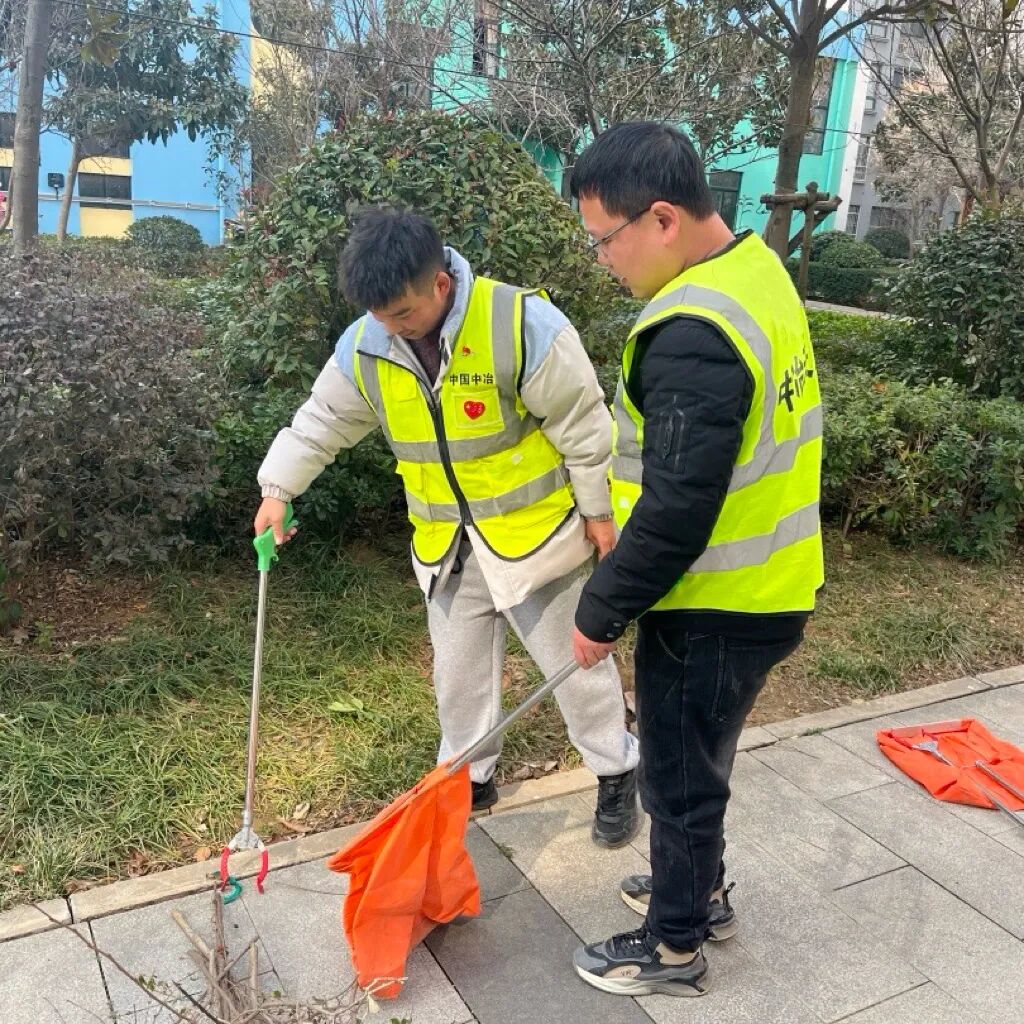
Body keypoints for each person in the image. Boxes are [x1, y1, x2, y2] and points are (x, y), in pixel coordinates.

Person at [255, 206, 640, 846]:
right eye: (380, 316)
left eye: (403, 313)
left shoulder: (520, 324)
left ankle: (617, 770)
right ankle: (468, 777)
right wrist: (278, 490)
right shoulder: (367, 344)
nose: (392, 327)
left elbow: (585, 426)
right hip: (448, 549)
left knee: (575, 667)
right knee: (457, 680)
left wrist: (600, 515)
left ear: (440, 283)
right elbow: (321, 421)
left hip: (537, 540)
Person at [567, 123, 824, 995]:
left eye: (605, 238)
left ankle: (673, 946)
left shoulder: (693, 330)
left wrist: (601, 609)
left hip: (714, 603)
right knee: (701, 759)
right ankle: (698, 890)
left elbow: (677, 510)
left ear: (663, 218)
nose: (603, 259)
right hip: (770, 585)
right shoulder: (757, 270)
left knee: (676, 779)